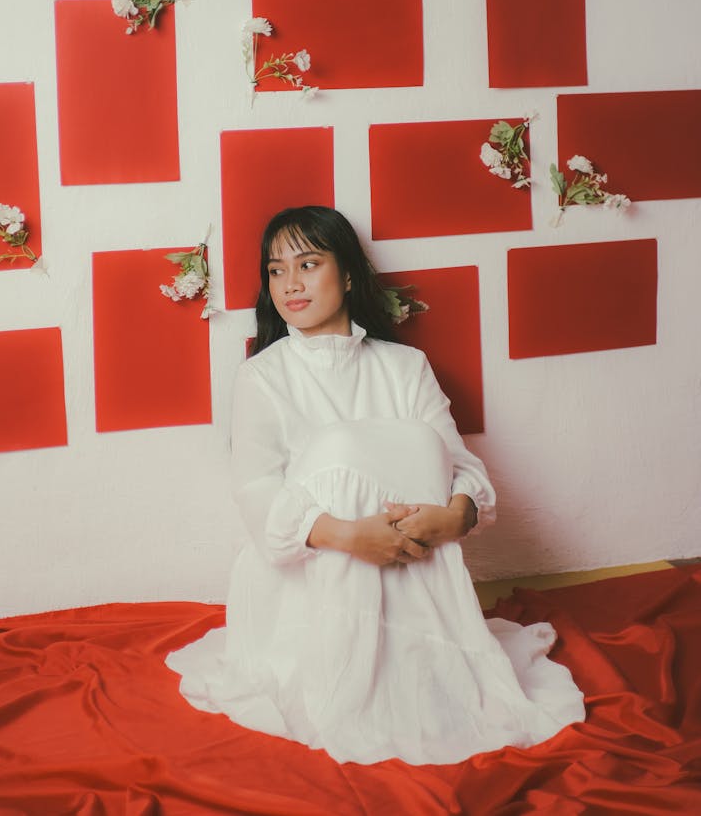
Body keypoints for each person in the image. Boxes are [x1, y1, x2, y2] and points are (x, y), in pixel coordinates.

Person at [166, 206, 585, 765]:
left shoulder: (405, 366)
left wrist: (454, 517)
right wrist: (348, 535)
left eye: (308, 264)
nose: (289, 283)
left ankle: (417, 668)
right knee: (340, 448)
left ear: (347, 275)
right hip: (308, 579)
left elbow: (461, 467)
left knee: (419, 444)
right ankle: (358, 677)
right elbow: (257, 494)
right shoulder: (262, 376)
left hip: (415, 562)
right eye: (275, 270)